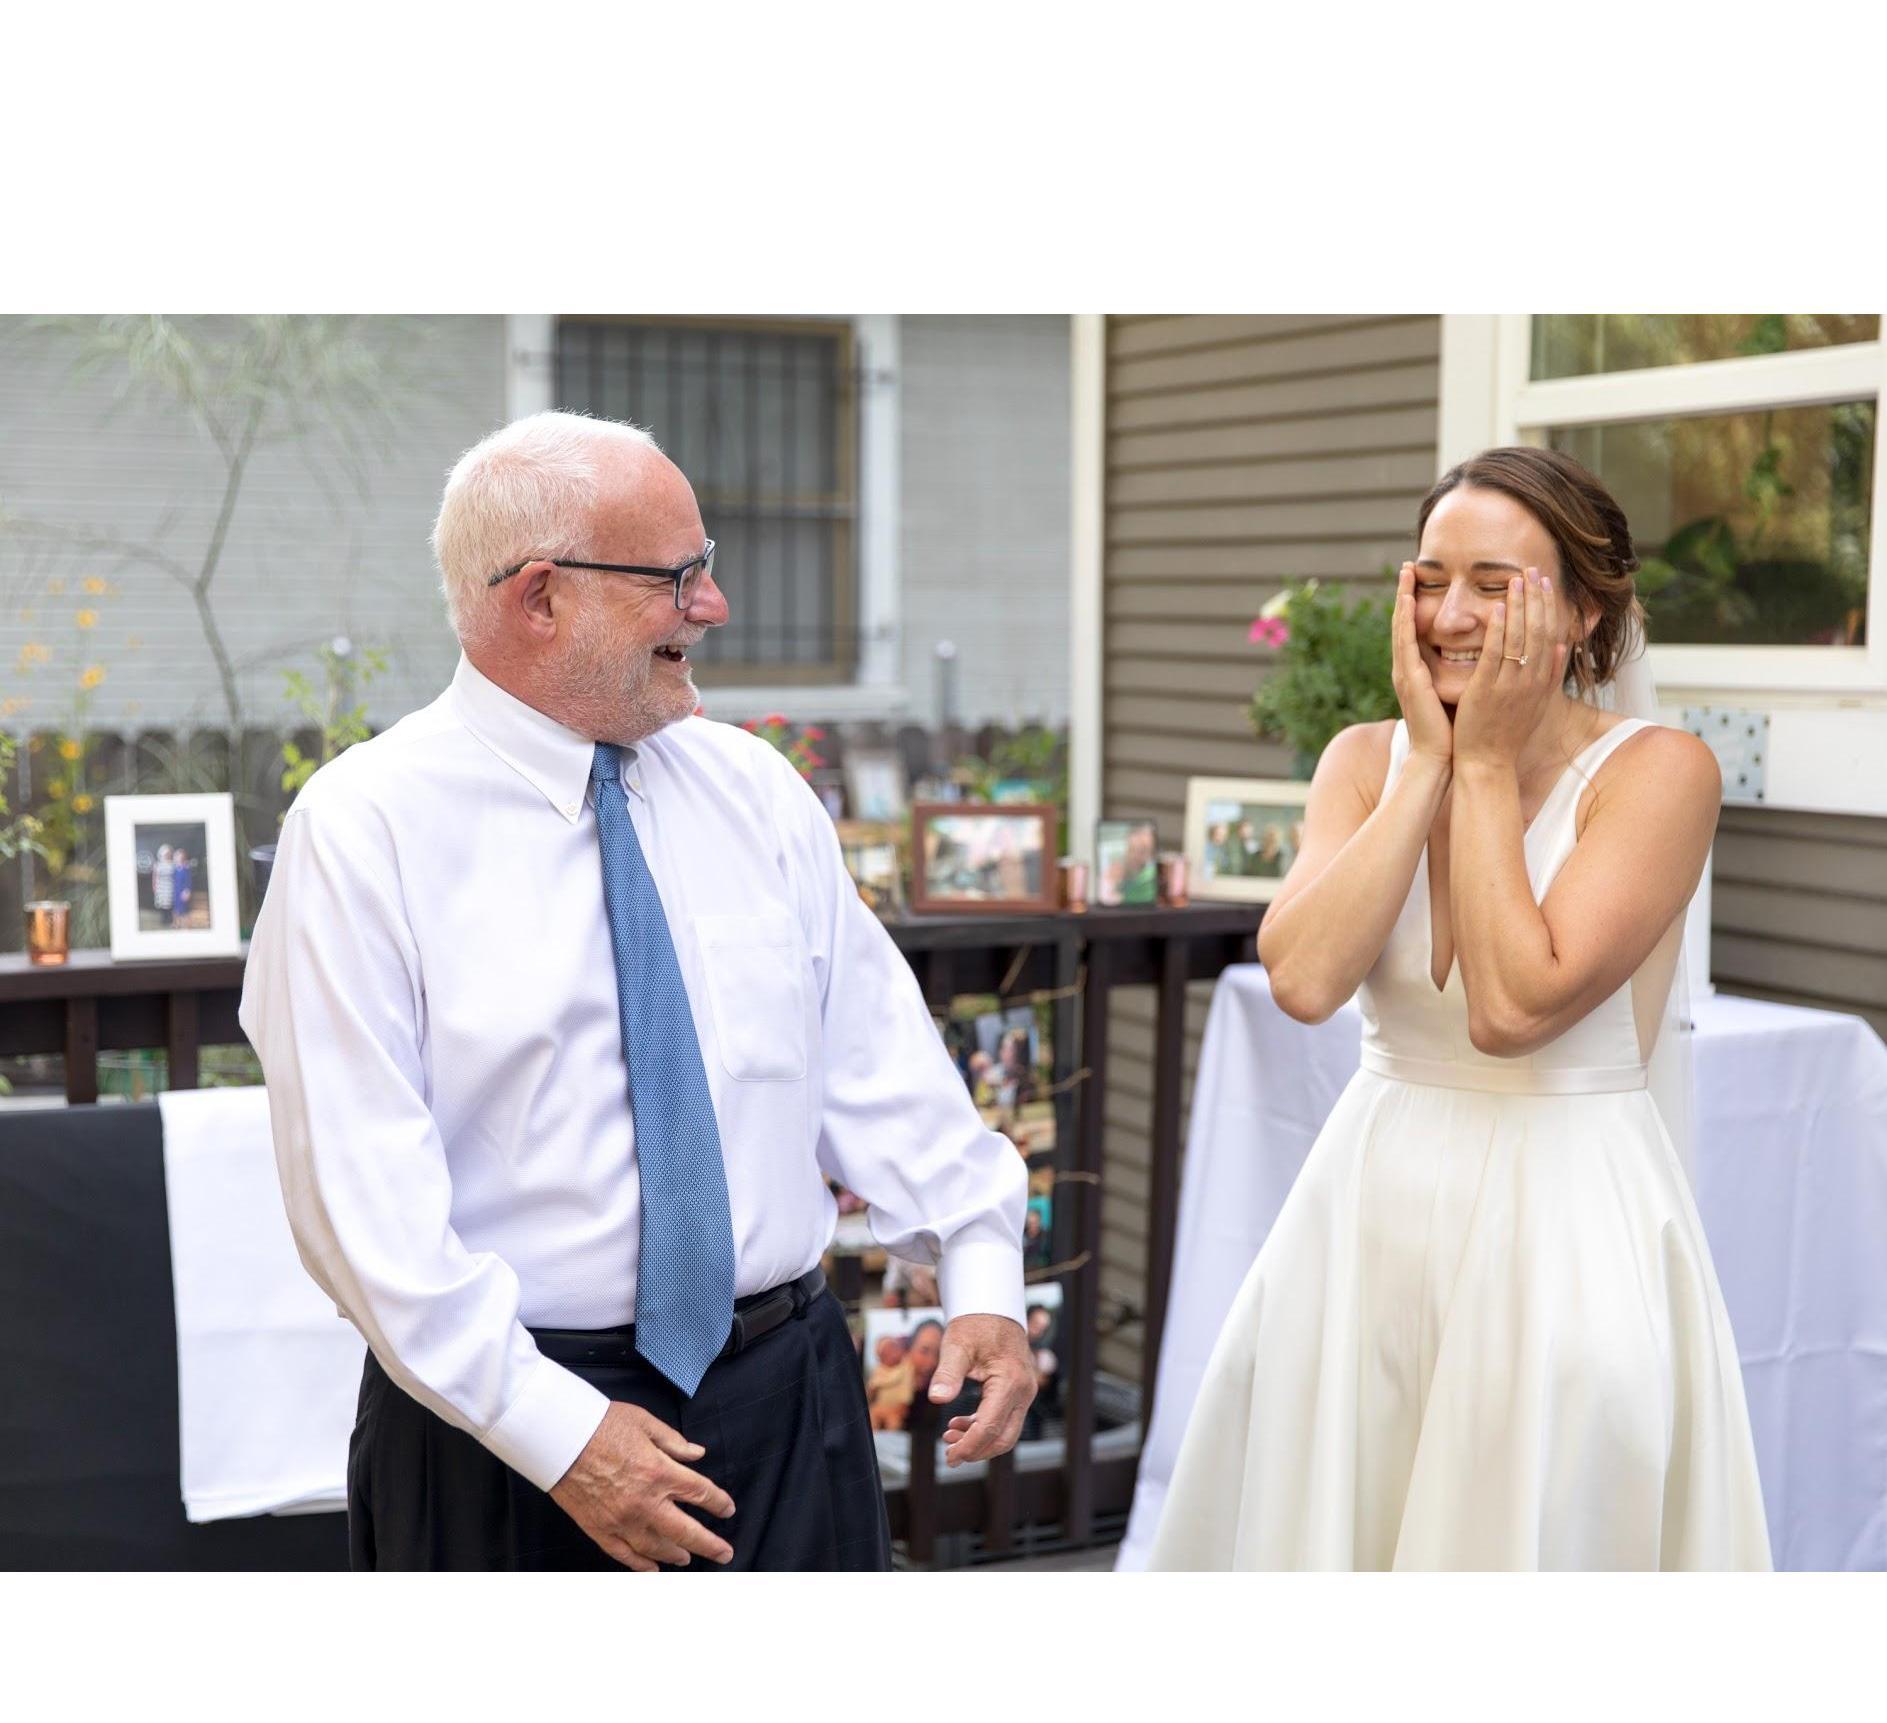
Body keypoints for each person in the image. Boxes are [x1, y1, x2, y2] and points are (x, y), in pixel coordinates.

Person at [241, 411, 1036, 1572]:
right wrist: (562, 1439)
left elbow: (879, 1073)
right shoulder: (364, 832)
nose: (711, 607)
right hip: (506, 1440)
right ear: (540, 598)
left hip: (788, 1402)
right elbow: (364, 1219)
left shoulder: (756, 793)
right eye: (679, 576)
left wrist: (984, 1275)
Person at [1150, 445, 1770, 1572]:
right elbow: (1302, 980)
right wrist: (1424, 768)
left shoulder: (1660, 773)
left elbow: (1515, 1005)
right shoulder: (1361, 760)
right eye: (1431, 578)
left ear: (1583, 614)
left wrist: (1483, 768)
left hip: (1564, 1214)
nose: (1449, 614)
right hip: (1367, 1211)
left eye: (1496, 584)